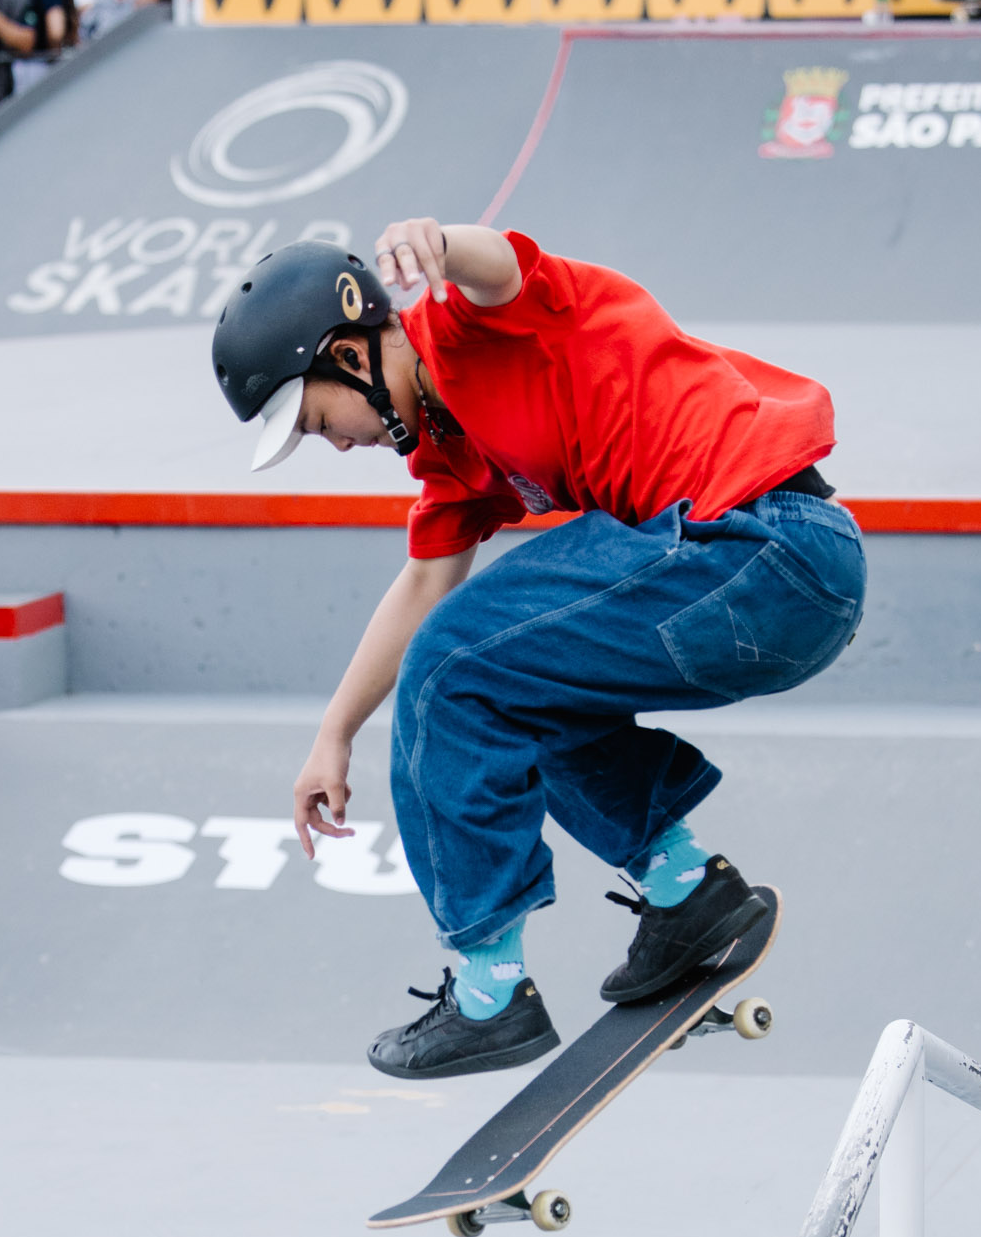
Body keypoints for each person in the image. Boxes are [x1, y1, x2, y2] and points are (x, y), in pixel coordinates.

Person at [210, 223, 860, 1077]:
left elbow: (503, 268)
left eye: (318, 418)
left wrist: (438, 241)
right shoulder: (450, 455)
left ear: (351, 355)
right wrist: (333, 735)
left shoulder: (472, 325)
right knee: (510, 683)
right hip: (754, 584)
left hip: (765, 547)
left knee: (461, 664)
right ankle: (686, 890)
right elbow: (421, 590)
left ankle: (488, 991)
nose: (334, 444)